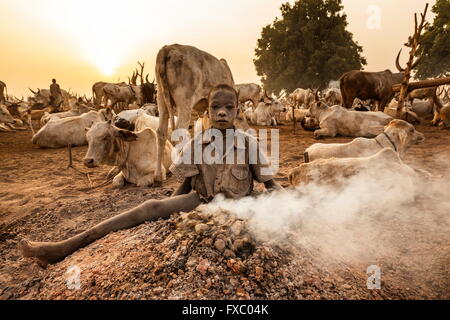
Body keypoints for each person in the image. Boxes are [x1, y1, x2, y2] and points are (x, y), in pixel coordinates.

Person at [19, 84, 282, 266]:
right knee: (150, 206)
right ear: (207, 111)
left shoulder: (249, 144)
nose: (222, 112)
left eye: (229, 107)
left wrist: (296, 201)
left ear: (238, 110)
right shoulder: (195, 144)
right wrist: (166, 210)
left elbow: (270, 184)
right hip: (204, 201)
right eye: (215, 107)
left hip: (243, 205)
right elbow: (187, 184)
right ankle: (63, 248)